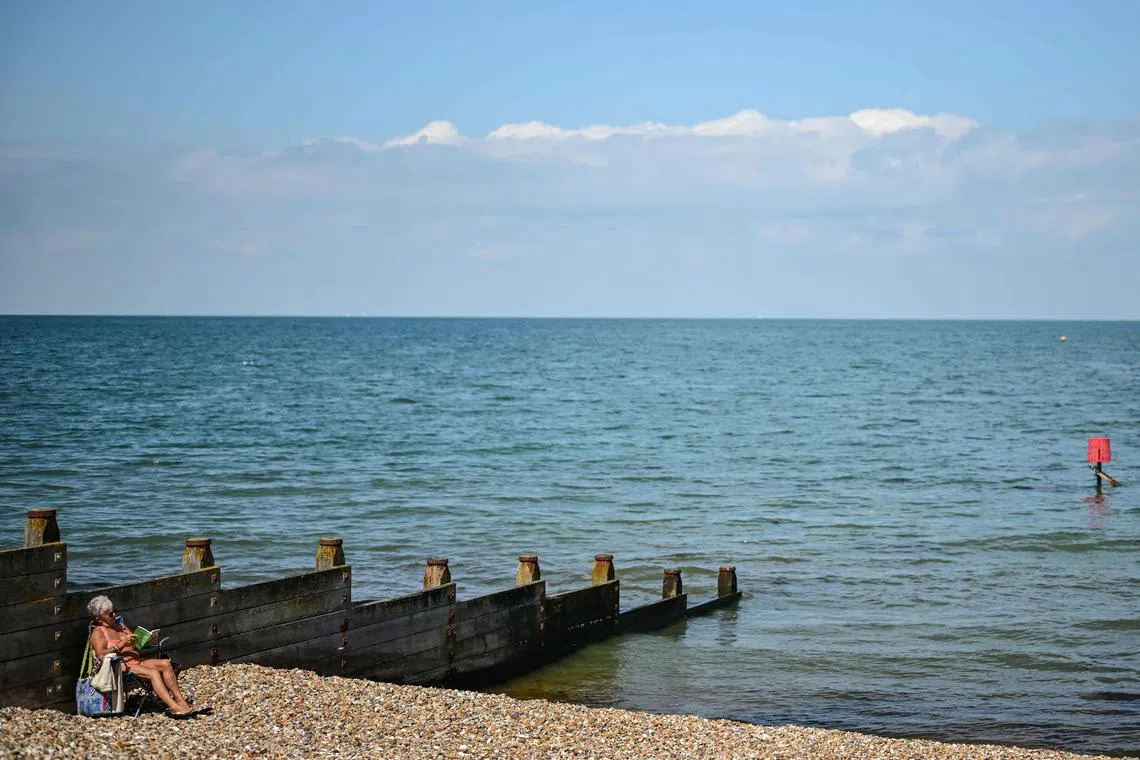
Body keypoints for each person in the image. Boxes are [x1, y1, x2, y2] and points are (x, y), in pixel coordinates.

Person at [87, 595, 209, 718]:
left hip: (137, 661)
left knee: (166, 663)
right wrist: (121, 644)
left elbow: (136, 644)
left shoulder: (120, 626)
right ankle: (174, 707)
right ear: (99, 619)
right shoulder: (98, 633)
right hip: (122, 666)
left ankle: (181, 702)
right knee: (153, 673)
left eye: (114, 611)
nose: (114, 615)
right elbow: (100, 654)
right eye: (109, 614)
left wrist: (146, 640)